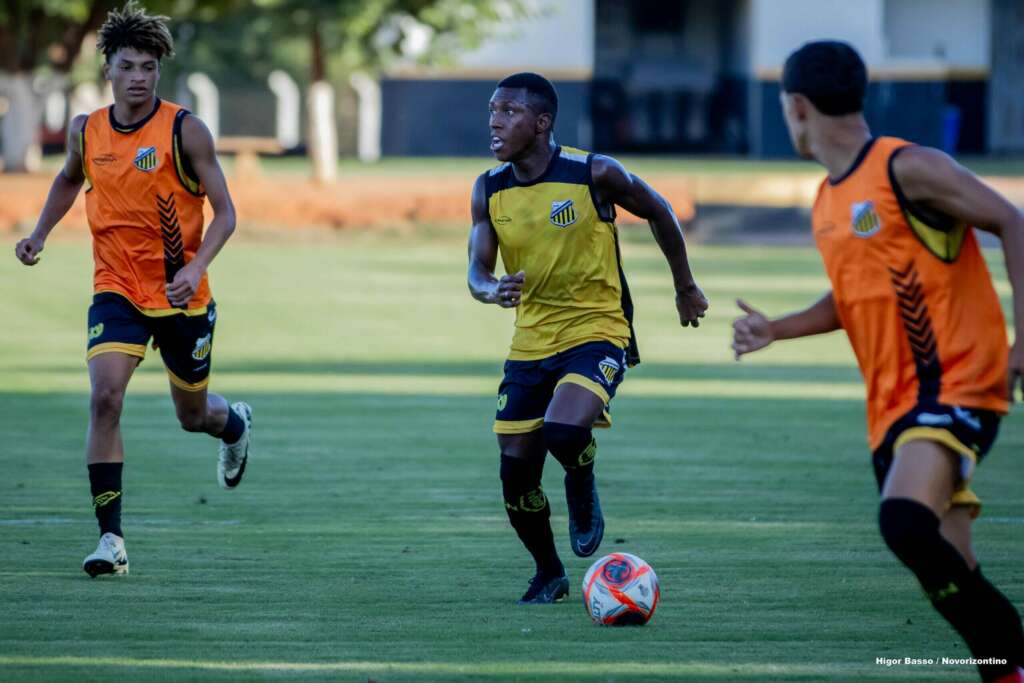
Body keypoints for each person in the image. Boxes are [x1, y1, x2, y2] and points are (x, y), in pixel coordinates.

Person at [732, 41, 1023, 683]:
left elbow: (1013, 221)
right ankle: (1007, 669)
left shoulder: (906, 168)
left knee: (903, 522)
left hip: (956, 388)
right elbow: (856, 295)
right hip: (892, 409)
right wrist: (776, 330)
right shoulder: (828, 201)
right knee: (950, 564)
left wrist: (1022, 342)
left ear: (797, 107)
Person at [14, 1, 252, 578]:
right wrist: (39, 233)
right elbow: (71, 177)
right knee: (105, 398)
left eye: (149, 66)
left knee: (192, 415)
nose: (140, 76)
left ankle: (235, 424)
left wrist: (195, 268)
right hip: (115, 286)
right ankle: (111, 540)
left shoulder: (184, 129)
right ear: (109, 70)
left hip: (180, 296)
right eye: (129, 65)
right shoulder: (85, 130)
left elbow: (225, 213)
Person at [467, 72, 708, 604]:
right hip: (530, 341)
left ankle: (582, 480)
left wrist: (685, 286)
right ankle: (548, 572)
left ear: (542, 122)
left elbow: (660, 210)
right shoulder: (489, 188)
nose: (495, 121)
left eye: (508, 111)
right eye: (492, 110)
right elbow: (476, 269)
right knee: (515, 474)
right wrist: (491, 290)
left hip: (598, 327)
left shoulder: (594, 172)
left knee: (564, 429)